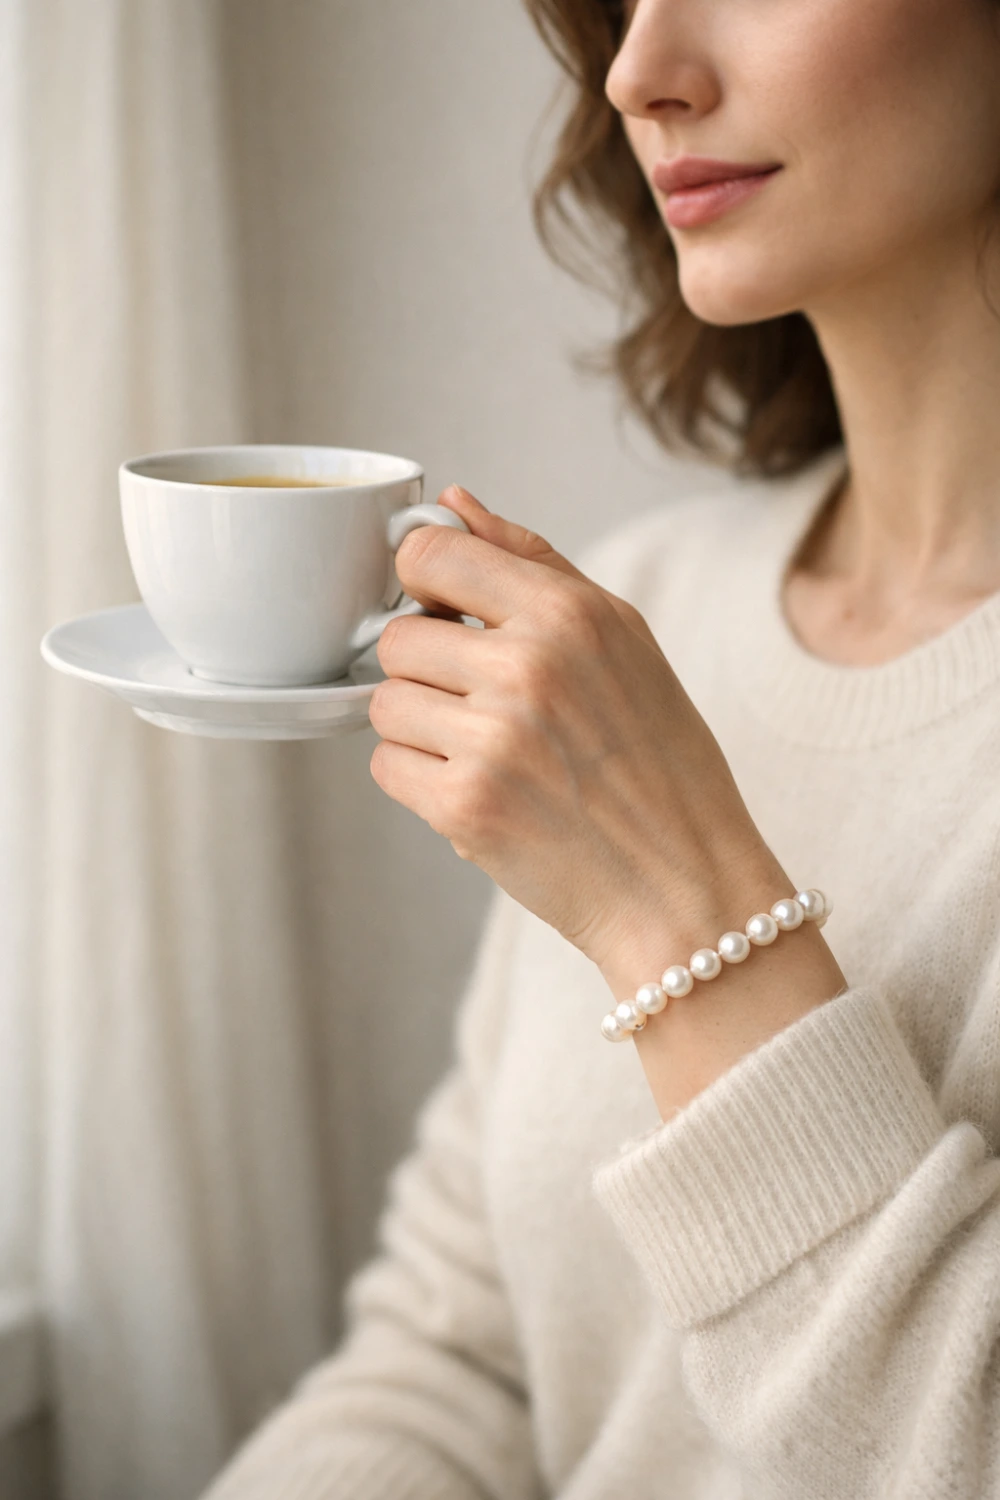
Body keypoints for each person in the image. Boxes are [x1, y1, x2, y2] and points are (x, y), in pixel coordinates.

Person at [202, 0, 1000, 1494]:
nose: (640, 71)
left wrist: (677, 909)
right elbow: (463, 1357)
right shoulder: (652, 610)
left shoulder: (613, 706)